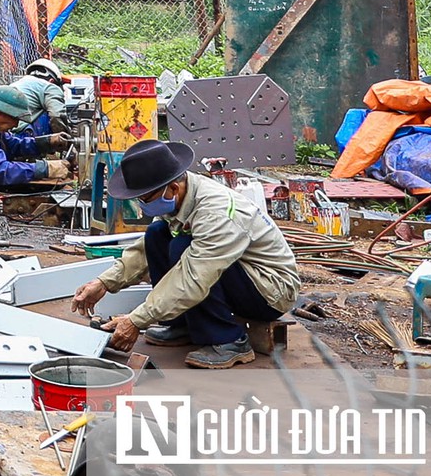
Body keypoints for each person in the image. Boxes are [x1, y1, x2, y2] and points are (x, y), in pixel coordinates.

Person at [72, 138, 302, 369]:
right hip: (232, 272)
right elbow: (143, 252)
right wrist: (104, 282)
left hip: (270, 291)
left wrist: (136, 320)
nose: (142, 206)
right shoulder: (181, 196)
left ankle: (228, 340)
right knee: (157, 233)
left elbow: (193, 276)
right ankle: (182, 325)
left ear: (172, 188)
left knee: (182, 247)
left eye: (145, 199)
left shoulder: (216, 212)